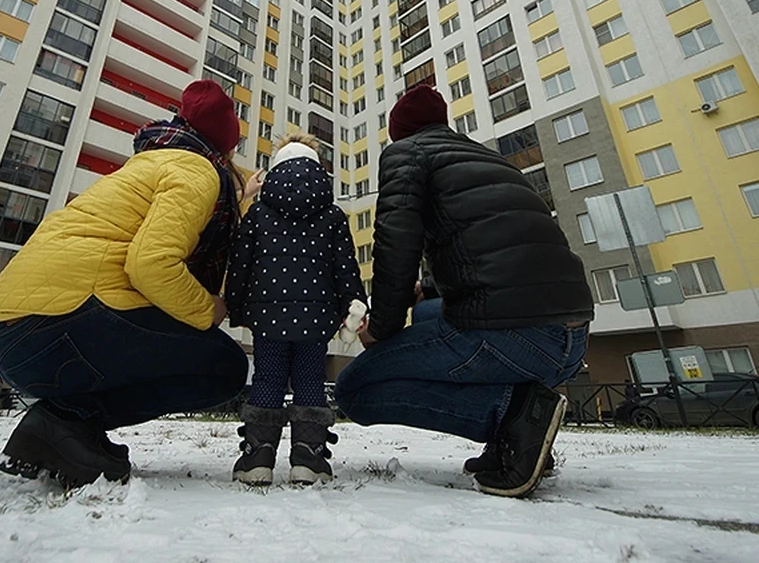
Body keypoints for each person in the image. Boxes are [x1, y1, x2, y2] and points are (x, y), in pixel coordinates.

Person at [0, 80, 258, 489]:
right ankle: (64, 421)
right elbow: (151, 263)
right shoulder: (197, 169)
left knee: (197, 349)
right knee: (225, 367)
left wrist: (242, 197)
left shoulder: (148, 165)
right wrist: (209, 308)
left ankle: (68, 430)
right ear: (225, 146)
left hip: (8, 332)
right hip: (62, 323)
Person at [334, 85, 595, 499]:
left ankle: (512, 417)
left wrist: (379, 328)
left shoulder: (407, 154)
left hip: (515, 335)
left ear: (399, 132)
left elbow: (395, 244)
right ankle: (518, 421)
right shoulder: (490, 158)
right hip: (571, 340)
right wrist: (431, 288)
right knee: (424, 314)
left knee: (354, 391)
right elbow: (507, 251)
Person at [226, 135, 365, 486]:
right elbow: (345, 266)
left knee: (268, 379)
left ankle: (258, 455)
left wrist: (237, 306)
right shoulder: (332, 214)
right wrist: (352, 304)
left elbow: (241, 263)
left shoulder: (258, 211)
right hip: (317, 319)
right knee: (309, 382)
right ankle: (309, 456)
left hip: (267, 318)